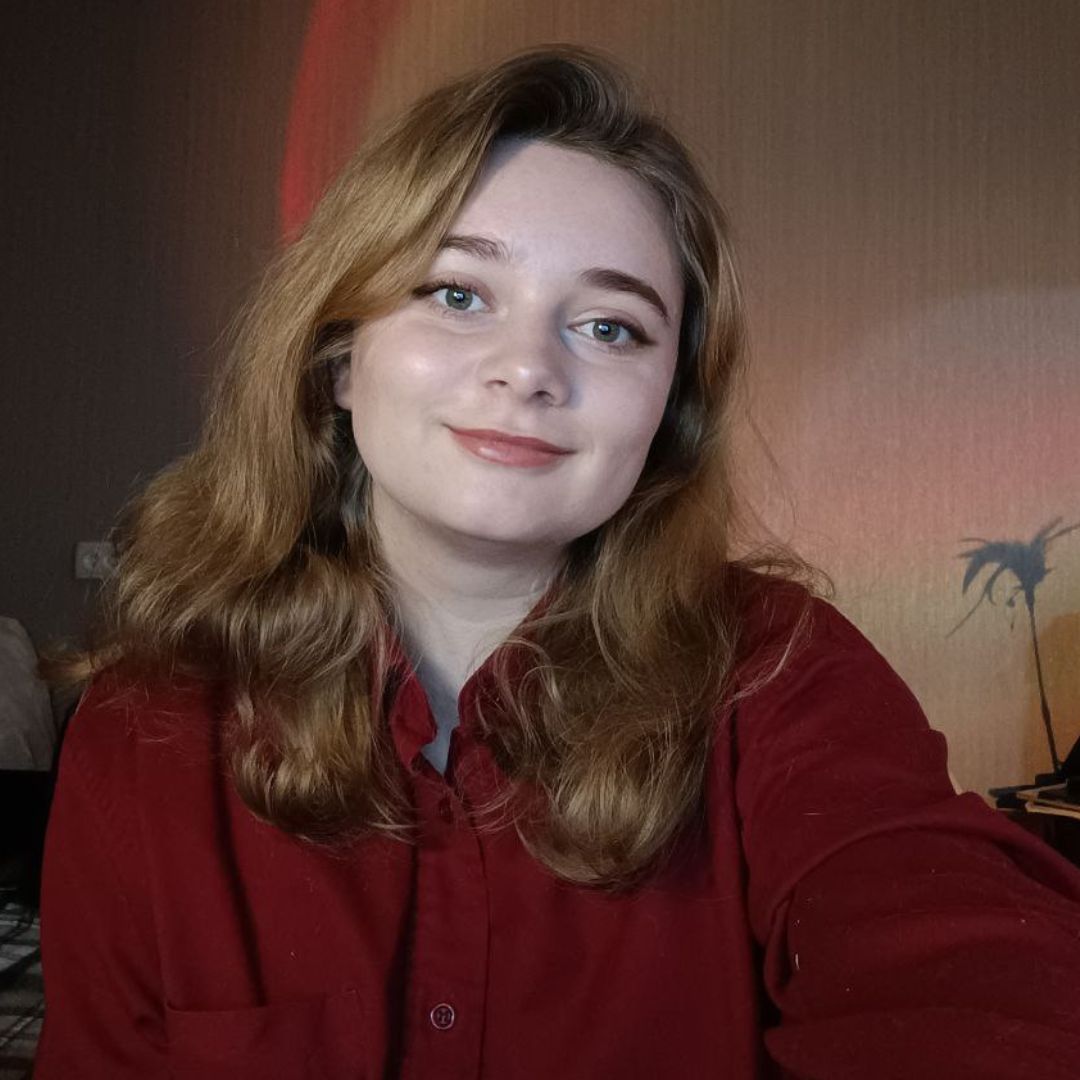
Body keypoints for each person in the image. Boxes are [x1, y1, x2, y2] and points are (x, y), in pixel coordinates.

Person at [35, 44, 1080, 1079]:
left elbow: (967, 971)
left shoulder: (780, 676)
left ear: (668, 411)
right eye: (457, 294)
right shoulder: (148, 725)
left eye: (610, 327)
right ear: (341, 360)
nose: (529, 369)